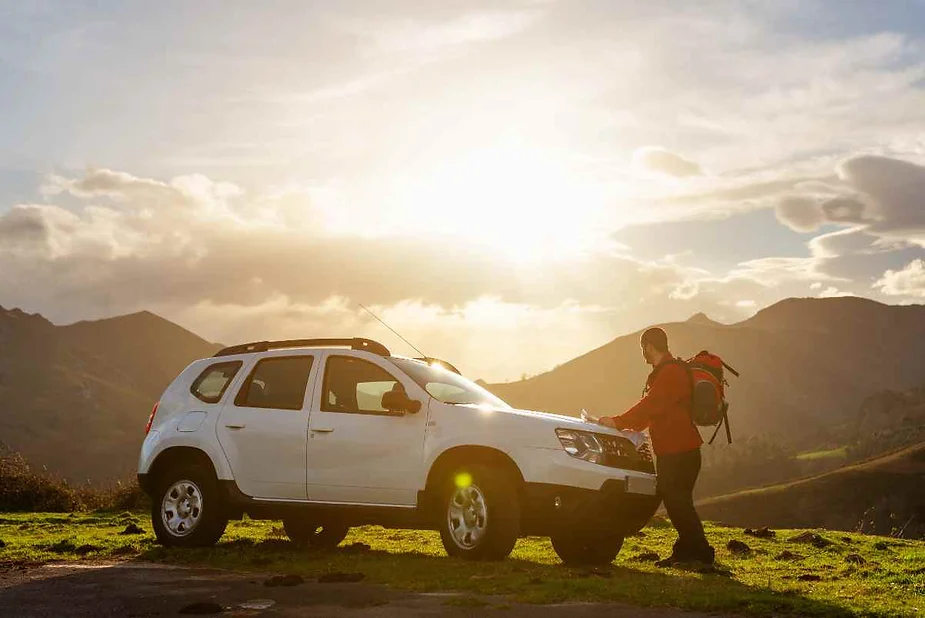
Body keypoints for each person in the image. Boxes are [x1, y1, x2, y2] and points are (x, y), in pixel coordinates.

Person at [599, 327, 715, 567]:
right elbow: (651, 414)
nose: (643, 352)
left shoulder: (671, 372)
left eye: (643, 347)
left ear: (649, 346)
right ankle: (685, 551)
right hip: (676, 450)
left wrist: (618, 421)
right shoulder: (666, 372)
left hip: (679, 451)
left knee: (677, 501)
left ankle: (701, 553)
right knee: (678, 501)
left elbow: (650, 405)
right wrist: (623, 427)